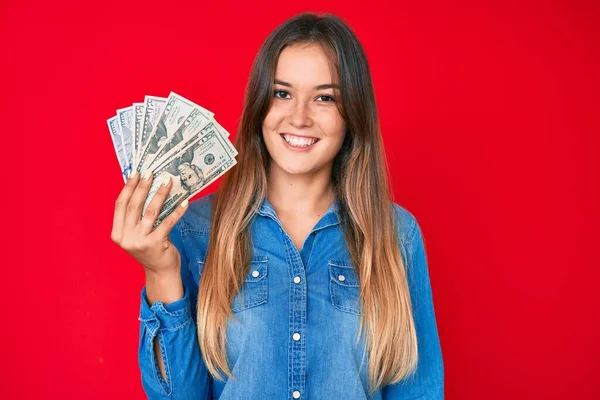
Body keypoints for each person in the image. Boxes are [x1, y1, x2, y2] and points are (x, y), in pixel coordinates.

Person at [111, 12, 444, 400]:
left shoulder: (397, 234)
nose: (299, 118)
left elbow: (418, 390)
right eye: (282, 93)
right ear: (259, 106)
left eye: (325, 98)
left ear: (352, 114)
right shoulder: (196, 229)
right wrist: (161, 272)